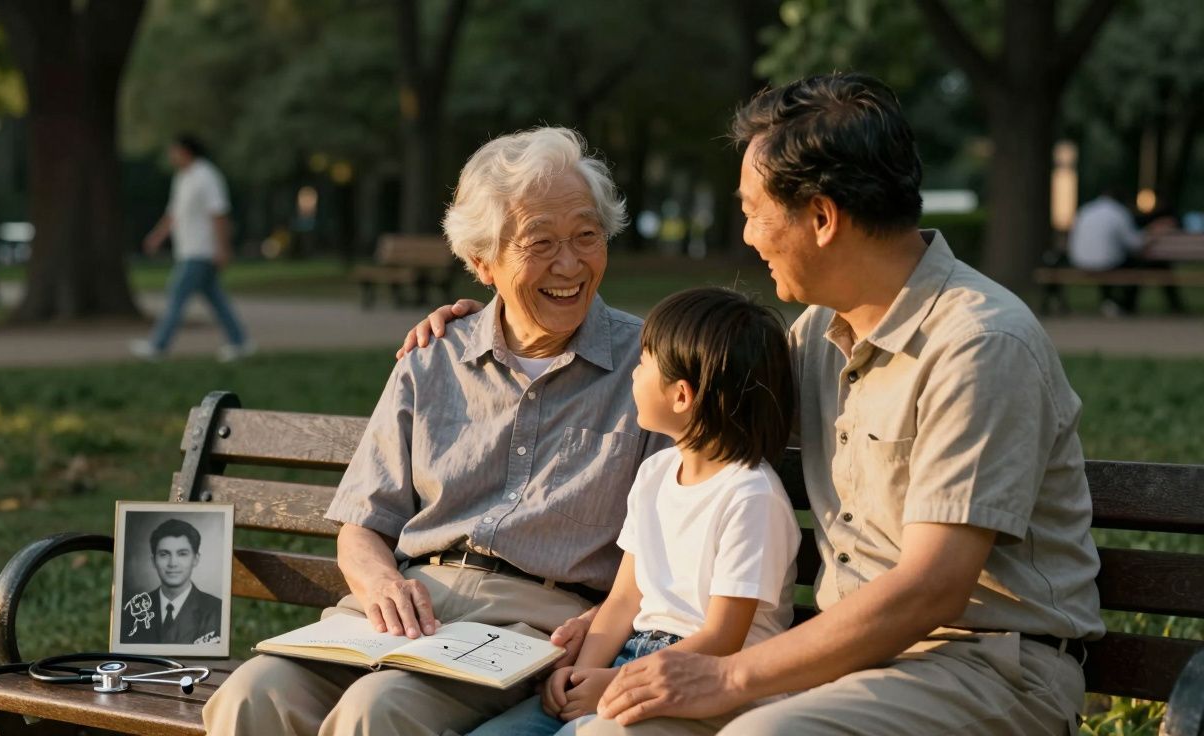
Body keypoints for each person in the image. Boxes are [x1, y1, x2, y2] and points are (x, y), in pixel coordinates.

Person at [405, 73, 1103, 736]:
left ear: (822, 218)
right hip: (847, 663)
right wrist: (510, 326)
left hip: (984, 667)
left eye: (753, 213)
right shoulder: (823, 337)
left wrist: (729, 677)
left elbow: (932, 589)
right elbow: (688, 388)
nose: (746, 237)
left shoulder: (979, 345)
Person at [202, 127, 670, 736]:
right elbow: (362, 524)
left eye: (587, 236)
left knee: (380, 712)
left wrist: (607, 620)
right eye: (540, 242)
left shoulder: (655, 367)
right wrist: (381, 583)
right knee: (251, 694)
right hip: (406, 608)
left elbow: (675, 535)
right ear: (482, 263)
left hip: (536, 625)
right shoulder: (433, 357)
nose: (570, 263)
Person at [468, 287, 800, 736]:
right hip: (631, 662)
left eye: (644, 363)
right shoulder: (657, 473)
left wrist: (615, 684)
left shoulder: (751, 497)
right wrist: (580, 678)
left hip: (709, 687)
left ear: (681, 395)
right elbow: (626, 597)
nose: (633, 374)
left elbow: (723, 639)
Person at [130, 135, 253, 362]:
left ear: (186, 151)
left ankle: (158, 346)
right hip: (188, 250)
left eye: (173, 151)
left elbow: (219, 214)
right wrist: (157, 237)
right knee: (216, 298)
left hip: (202, 250)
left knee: (176, 295)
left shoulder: (207, 176)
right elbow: (173, 214)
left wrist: (222, 248)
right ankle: (240, 342)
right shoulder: (183, 178)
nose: (171, 156)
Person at [1068, 189, 1183, 315]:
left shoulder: (1085, 210)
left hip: (1079, 262)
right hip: (1106, 264)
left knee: (1122, 263)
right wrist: (1154, 232)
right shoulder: (1118, 212)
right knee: (1145, 266)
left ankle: (1113, 302)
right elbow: (1135, 244)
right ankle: (1128, 304)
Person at [120, 518, 223, 645]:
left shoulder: (217, 610)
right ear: (153, 561)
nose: (173, 563)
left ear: (195, 559)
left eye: (182, 554)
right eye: (164, 554)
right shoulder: (132, 609)